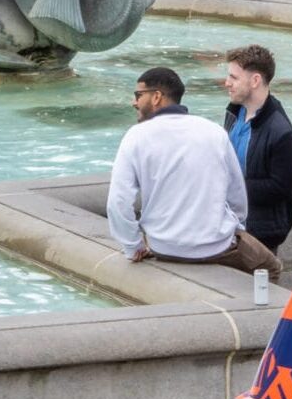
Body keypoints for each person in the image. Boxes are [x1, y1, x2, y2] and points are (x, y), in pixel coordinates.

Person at [105, 68, 281, 276]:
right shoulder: (213, 131)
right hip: (216, 245)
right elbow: (237, 196)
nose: (134, 102)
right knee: (272, 268)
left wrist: (133, 246)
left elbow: (118, 202)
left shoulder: (135, 136)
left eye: (138, 95)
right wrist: (235, 227)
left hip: (162, 246)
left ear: (157, 97)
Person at [219, 44, 292, 255]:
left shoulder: (282, 132)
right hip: (230, 226)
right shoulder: (233, 113)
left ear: (255, 81)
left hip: (260, 235)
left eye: (234, 78)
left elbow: (281, 188)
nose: (227, 83)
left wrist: (228, 186)